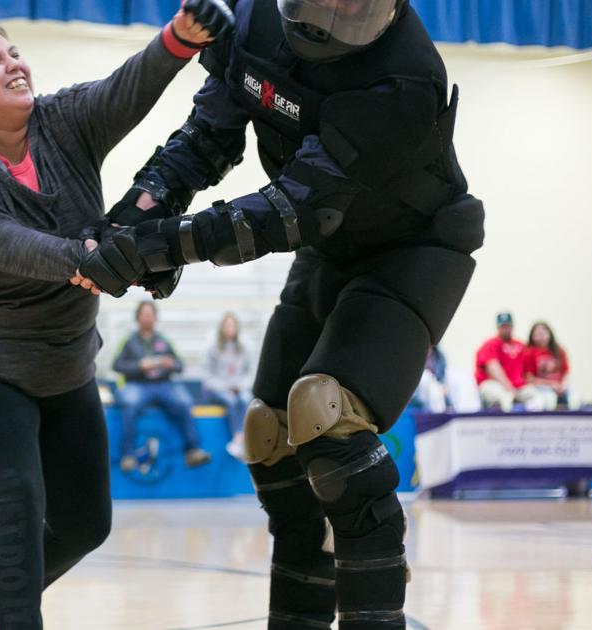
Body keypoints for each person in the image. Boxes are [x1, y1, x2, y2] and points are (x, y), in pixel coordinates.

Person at [79, 1, 486, 626]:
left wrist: (162, 245)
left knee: (330, 418)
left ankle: (376, 611)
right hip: (333, 245)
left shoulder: (405, 77)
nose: (334, 15)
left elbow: (293, 211)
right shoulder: (252, 19)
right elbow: (207, 136)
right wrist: (137, 214)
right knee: (269, 437)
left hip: (413, 249)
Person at [0, 6, 232, 628]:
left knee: (85, 525)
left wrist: (179, 39)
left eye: (15, 52)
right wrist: (84, 260)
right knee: (17, 498)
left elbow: (123, 90)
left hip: (63, 363)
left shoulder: (62, 120)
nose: (15, 64)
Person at [113, 301, 213, 471]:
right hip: (137, 384)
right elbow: (117, 366)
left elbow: (180, 366)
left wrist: (170, 364)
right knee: (129, 403)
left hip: (164, 385)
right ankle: (128, 455)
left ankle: (192, 451)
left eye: (151, 314)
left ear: (156, 317)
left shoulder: (164, 341)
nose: (148, 317)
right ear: (137, 317)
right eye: (144, 314)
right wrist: (139, 365)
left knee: (184, 401)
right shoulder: (128, 341)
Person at [201, 312, 255, 459]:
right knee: (230, 400)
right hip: (218, 389)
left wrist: (240, 386)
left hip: (238, 388)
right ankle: (238, 437)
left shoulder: (244, 348)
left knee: (245, 399)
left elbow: (249, 373)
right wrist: (225, 387)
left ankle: (244, 438)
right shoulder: (213, 348)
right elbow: (208, 376)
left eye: (232, 325)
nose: (229, 328)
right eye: (227, 325)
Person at [474, 312, 546, 411]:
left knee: (539, 397)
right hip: (495, 385)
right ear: (498, 327)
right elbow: (493, 368)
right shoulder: (490, 344)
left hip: (518, 387)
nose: (505, 328)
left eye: (507, 325)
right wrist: (509, 389)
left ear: (512, 326)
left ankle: (531, 419)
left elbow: (530, 371)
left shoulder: (521, 345)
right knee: (505, 398)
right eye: (503, 326)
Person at [522, 321, 571, 410]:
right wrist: (551, 384)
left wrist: (563, 386)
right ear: (532, 337)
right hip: (541, 387)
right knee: (549, 400)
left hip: (559, 387)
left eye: (543, 333)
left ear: (550, 334)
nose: (541, 337)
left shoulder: (559, 351)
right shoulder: (529, 353)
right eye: (537, 334)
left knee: (574, 399)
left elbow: (566, 373)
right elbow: (530, 379)